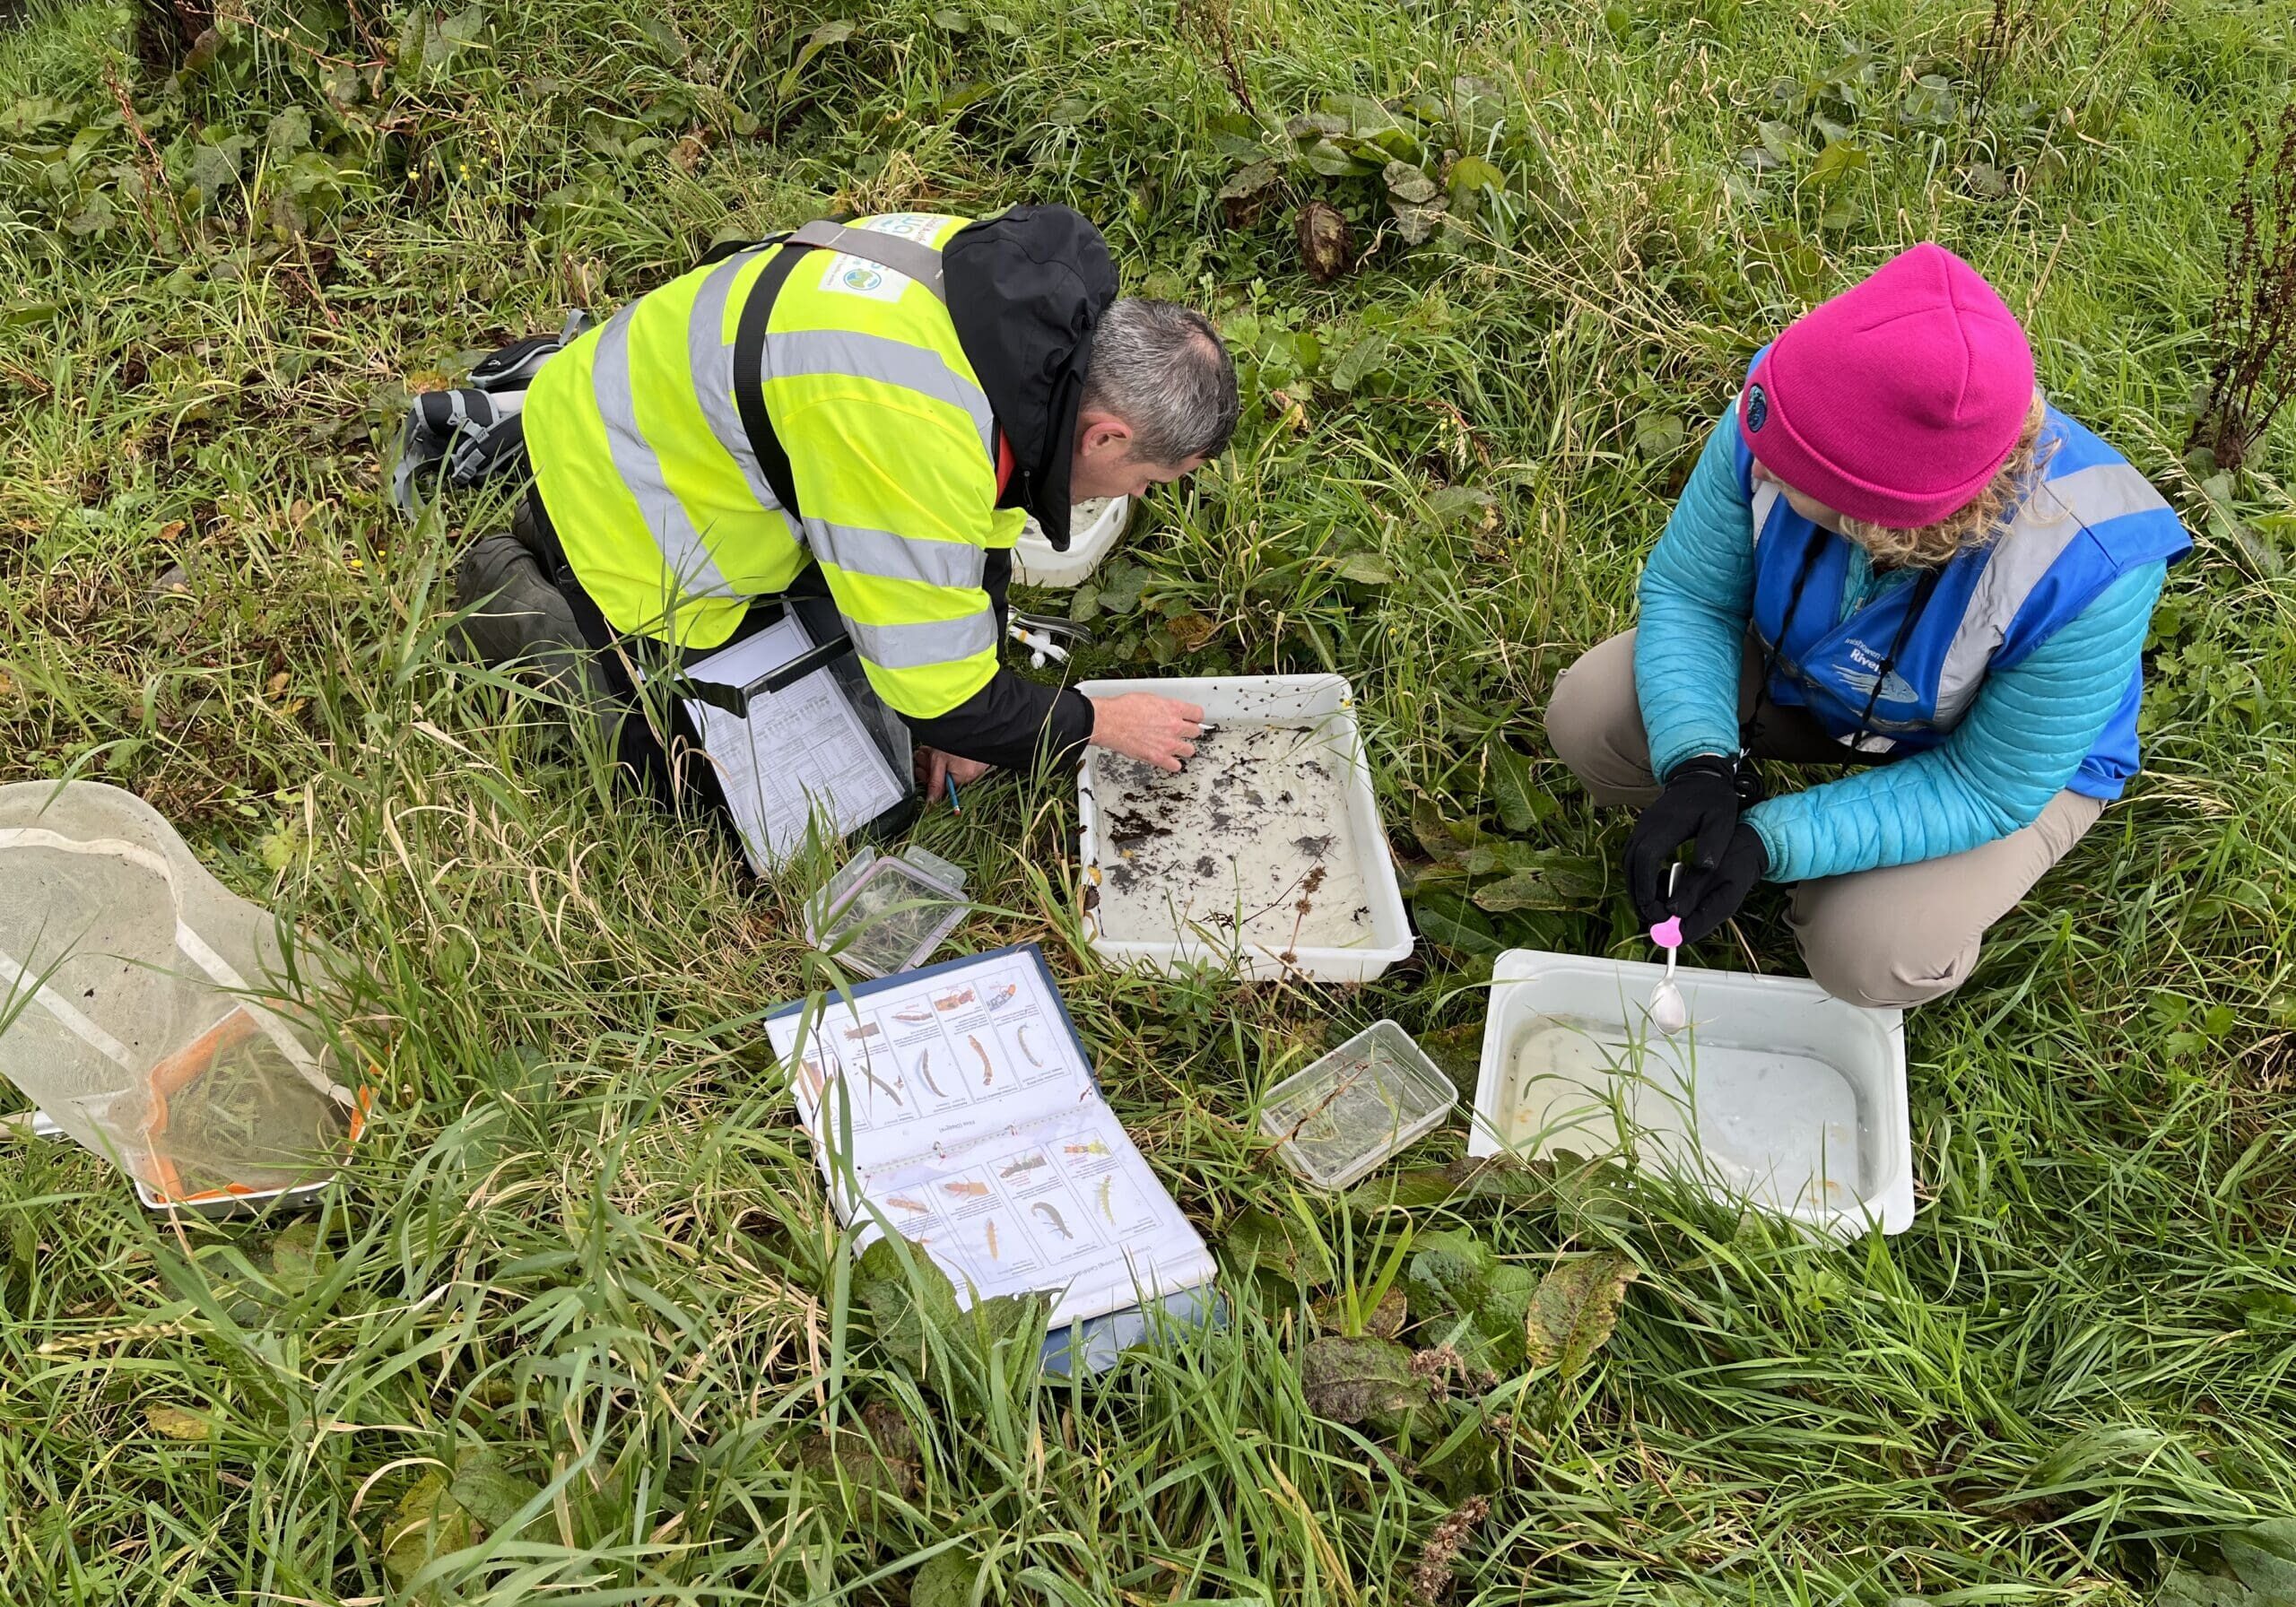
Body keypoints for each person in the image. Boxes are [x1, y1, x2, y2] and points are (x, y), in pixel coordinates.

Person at [1544, 243, 2189, 1009]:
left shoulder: (2089, 565)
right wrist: (1698, 763)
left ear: (1883, 523)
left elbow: (1984, 786)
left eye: (1794, 478)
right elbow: (1693, 596)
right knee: (1594, 716)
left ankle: (1855, 879)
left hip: (1988, 765)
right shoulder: (1789, 405)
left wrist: (1771, 840)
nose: (1763, 466)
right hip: (1816, 685)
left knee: (1874, 951)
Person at [453, 204, 1236, 821]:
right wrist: (1092, 723)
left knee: (868, 696)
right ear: (1107, 434)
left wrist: (978, 693)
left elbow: (980, 536)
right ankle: (515, 590)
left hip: (682, 420)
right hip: (617, 488)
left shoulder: (1016, 320)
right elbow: (939, 694)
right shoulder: (912, 428)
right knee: (697, 791)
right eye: (1148, 479)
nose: (1134, 498)